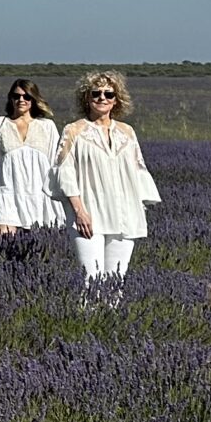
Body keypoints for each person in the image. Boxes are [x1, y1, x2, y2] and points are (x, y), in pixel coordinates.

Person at [54, 71, 158, 283]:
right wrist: (79, 212)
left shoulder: (127, 132)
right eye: (96, 93)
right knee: (90, 281)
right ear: (87, 97)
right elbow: (63, 173)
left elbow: (139, 172)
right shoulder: (73, 131)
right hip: (89, 216)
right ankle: (87, 317)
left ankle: (112, 317)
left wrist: (139, 210)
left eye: (109, 94)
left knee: (115, 283)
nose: (102, 98)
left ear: (116, 100)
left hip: (124, 216)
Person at [0, 79, 66, 236]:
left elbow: (55, 162)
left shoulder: (47, 125)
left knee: (42, 247)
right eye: (17, 96)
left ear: (33, 99)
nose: (21, 100)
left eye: (26, 97)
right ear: (11, 98)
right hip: (7, 193)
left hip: (39, 194)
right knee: (6, 243)